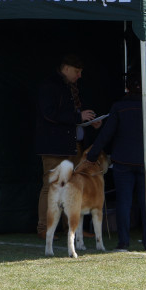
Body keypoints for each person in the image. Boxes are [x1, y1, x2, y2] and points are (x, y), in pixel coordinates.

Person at [83, 73, 146, 252]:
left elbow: (106, 134)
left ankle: (123, 243)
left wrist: (91, 156)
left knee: (124, 201)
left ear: (127, 88)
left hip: (123, 161)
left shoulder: (118, 107)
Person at [35, 53, 99, 239]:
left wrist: (87, 121)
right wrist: (78, 117)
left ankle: (71, 228)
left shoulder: (70, 87)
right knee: (52, 185)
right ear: (66, 68)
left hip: (71, 144)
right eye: (77, 71)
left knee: (71, 187)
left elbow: (69, 115)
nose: (79, 75)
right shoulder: (50, 86)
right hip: (54, 145)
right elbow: (49, 114)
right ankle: (44, 227)